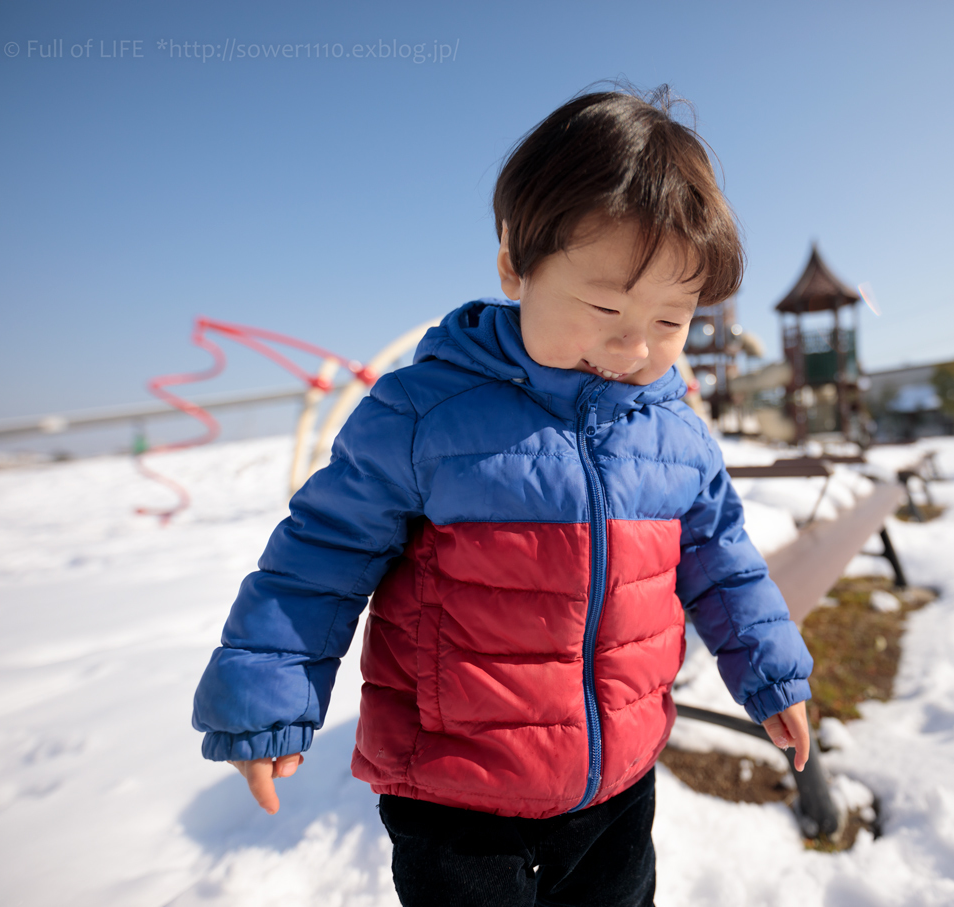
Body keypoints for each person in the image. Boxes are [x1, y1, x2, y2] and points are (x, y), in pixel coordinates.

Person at [192, 85, 814, 907]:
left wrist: (772, 673)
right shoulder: (425, 413)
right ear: (515, 265)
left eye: (672, 322)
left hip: (618, 782)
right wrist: (269, 688)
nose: (633, 347)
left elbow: (723, 564)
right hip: (456, 793)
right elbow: (321, 554)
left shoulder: (677, 434)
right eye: (603, 307)